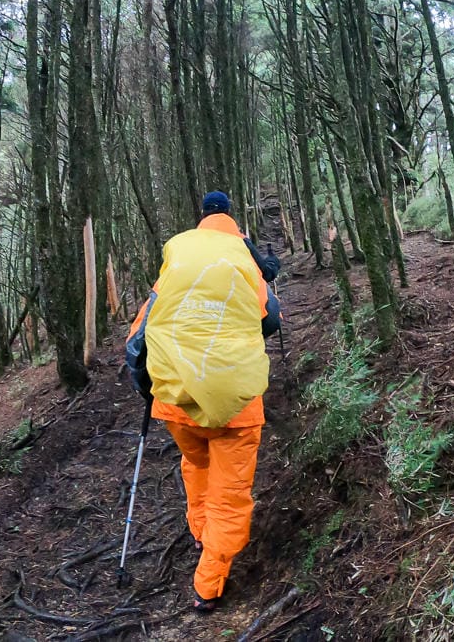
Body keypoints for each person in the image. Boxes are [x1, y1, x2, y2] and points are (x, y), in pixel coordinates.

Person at [126, 190, 281, 611]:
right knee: (230, 493)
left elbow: (139, 334)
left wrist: (149, 386)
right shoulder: (244, 257)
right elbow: (270, 318)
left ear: (201, 219)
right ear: (232, 219)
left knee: (196, 464)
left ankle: (201, 533)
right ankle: (208, 584)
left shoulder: (179, 262)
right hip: (237, 408)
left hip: (177, 402)